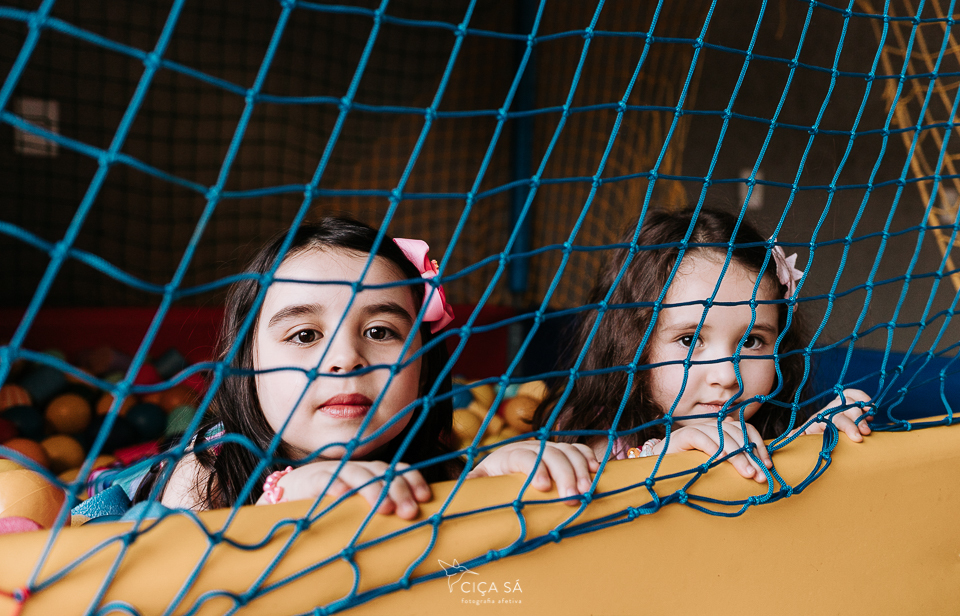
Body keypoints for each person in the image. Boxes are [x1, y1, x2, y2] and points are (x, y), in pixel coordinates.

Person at [135, 216, 596, 516]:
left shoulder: (432, 466)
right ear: (246, 366)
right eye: (305, 335)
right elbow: (178, 583)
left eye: (379, 332)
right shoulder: (206, 471)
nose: (345, 358)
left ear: (422, 365)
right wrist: (283, 499)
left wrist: (490, 482)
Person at [531, 208, 873, 483]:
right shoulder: (597, 436)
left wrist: (817, 438)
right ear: (632, 342)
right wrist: (665, 455)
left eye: (752, 341)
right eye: (689, 339)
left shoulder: (774, 423)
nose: (726, 376)